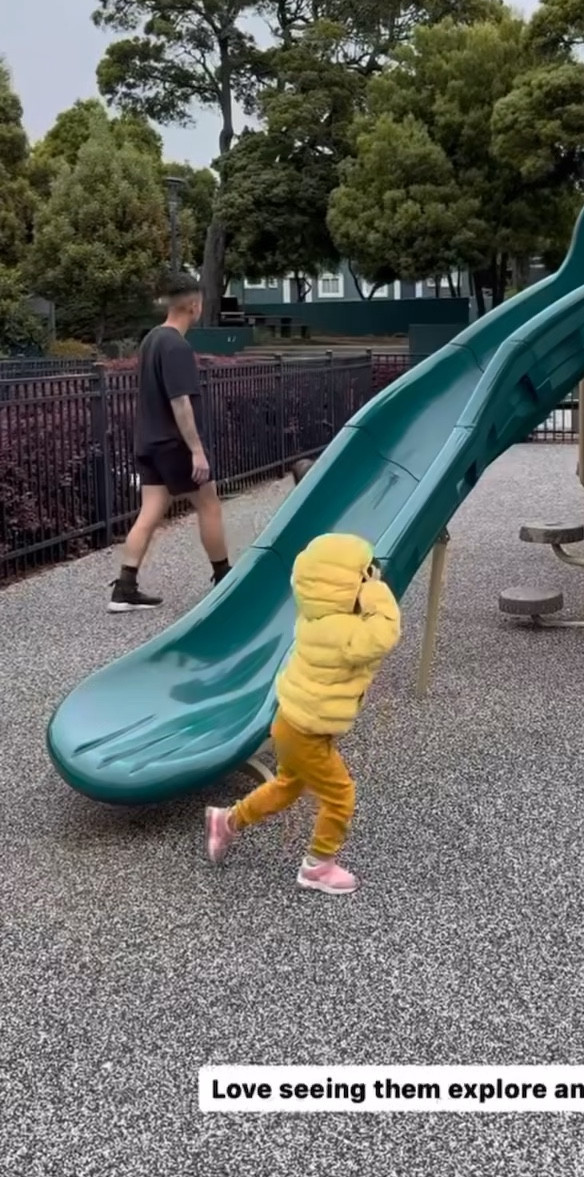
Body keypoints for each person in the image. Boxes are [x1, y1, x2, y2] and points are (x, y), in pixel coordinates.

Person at [204, 532, 401, 894]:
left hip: (291, 723)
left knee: (287, 785)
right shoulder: (344, 630)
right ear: (350, 585)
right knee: (341, 794)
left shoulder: (313, 616)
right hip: (307, 731)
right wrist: (377, 594)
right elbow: (383, 635)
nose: (371, 577)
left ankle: (227, 821)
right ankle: (317, 866)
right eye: (365, 573)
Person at [108, 275, 231, 612]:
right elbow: (180, 401)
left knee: (150, 511)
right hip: (174, 443)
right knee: (209, 504)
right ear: (194, 305)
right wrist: (196, 450)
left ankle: (125, 587)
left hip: (147, 441)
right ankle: (225, 579)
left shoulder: (151, 340)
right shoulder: (176, 345)